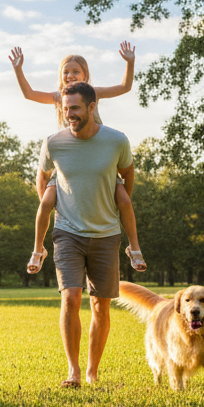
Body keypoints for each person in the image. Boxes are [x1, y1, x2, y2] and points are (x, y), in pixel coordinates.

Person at [9, 43, 146, 275]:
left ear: (85, 75)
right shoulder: (58, 97)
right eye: (66, 72)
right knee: (46, 202)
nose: (70, 75)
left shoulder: (93, 93)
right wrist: (18, 69)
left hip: (97, 161)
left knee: (123, 199)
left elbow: (125, 86)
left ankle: (134, 248)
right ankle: (38, 249)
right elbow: (29, 94)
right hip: (69, 164)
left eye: (75, 71)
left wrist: (130, 62)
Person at [37, 82, 134, 387]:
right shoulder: (54, 143)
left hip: (106, 233)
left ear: (92, 107)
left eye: (76, 108)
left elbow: (128, 174)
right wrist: (52, 205)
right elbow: (43, 176)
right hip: (67, 232)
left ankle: (92, 371)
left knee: (100, 305)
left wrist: (115, 204)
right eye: (66, 109)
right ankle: (74, 372)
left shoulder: (116, 141)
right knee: (70, 296)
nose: (70, 115)